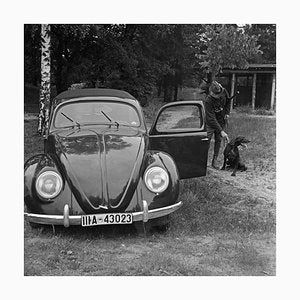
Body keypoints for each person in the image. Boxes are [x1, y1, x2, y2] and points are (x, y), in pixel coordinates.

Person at [204, 81, 231, 169]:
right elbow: (211, 118)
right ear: (211, 92)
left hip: (221, 119)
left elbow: (228, 101)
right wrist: (221, 131)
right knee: (206, 140)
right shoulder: (208, 100)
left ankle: (214, 160)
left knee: (218, 140)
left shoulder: (224, 91)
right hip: (210, 123)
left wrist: (227, 112)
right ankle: (202, 160)